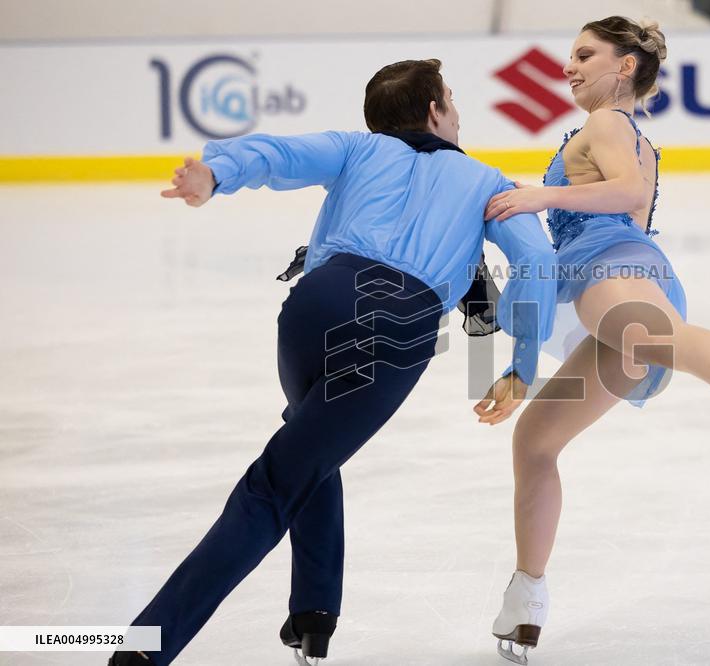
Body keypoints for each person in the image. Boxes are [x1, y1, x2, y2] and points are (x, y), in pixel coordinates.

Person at [108, 58, 557, 666]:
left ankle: (314, 615)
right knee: (274, 485)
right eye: (451, 99)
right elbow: (535, 263)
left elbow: (274, 153)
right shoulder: (491, 183)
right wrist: (523, 363)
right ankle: (146, 647)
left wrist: (214, 174)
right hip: (393, 324)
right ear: (434, 111)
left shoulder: (354, 149)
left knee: (308, 448)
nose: (457, 111)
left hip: (313, 306)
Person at [479, 17, 710, 664]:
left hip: (614, 264)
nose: (570, 65)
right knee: (536, 442)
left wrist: (538, 195)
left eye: (585, 54)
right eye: (570, 54)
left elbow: (629, 195)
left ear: (625, 68)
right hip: (619, 267)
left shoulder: (608, 124)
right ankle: (526, 598)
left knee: (647, 331)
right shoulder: (626, 131)